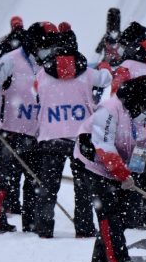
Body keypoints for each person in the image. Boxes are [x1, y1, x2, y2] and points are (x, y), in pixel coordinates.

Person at [75, 69, 146, 262]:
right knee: (108, 212)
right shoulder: (110, 110)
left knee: (127, 214)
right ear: (138, 103)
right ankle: (116, 261)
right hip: (92, 164)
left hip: (122, 165)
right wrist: (122, 175)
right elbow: (104, 147)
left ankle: (100, 260)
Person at [24, 27, 95, 240]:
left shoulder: (41, 75)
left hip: (51, 136)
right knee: (83, 188)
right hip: (80, 138)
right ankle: (84, 227)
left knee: (48, 187)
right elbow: (107, 79)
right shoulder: (88, 74)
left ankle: (44, 227)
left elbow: (36, 96)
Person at [0, 20, 36, 234]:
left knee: (6, 171)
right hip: (8, 123)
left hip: (11, 123)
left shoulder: (7, 47)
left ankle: (2, 211)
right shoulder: (11, 58)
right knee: (7, 172)